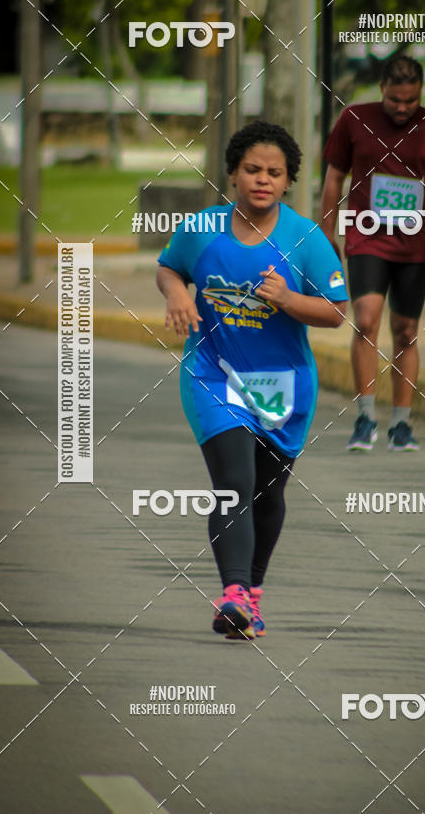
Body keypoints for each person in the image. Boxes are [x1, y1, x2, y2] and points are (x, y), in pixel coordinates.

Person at [156, 121, 348, 639]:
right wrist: (176, 293)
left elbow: (335, 313)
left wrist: (287, 299)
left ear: (288, 182)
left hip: (282, 386)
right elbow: (169, 267)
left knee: (267, 492)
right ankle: (233, 593)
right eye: (252, 170)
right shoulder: (201, 229)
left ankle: (252, 595)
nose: (262, 179)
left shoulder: (305, 239)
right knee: (233, 485)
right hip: (213, 374)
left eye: (274, 173)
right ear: (234, 175)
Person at [320, 55, 425, 452]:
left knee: (405, 332)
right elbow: (334, 178)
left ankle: (401, 425)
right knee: (365, 320)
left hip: (415, 242)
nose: (403, 108)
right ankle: (365, 417)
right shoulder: (354, 119)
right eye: (395, 100)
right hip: (366, 236)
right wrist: (326, 232)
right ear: (382, 88)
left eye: (411, 101)